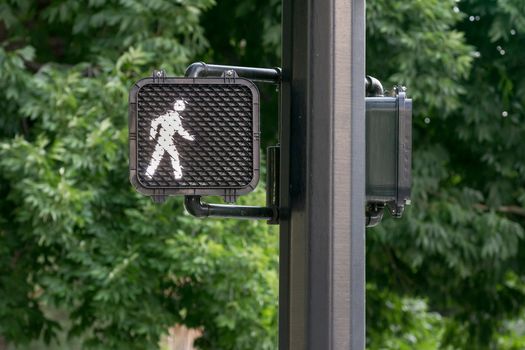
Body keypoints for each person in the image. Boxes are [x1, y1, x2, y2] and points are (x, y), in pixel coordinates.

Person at [145, 99, 194, 179]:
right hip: (165, 140)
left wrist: (152, 135)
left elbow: (154, 121)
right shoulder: (174, 117)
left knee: (158, 157)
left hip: (164, 140)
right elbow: (181, 131)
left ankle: (149, 173)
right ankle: (178, 176)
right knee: (173, 157)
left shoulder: (167, 116)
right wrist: (191, 138)